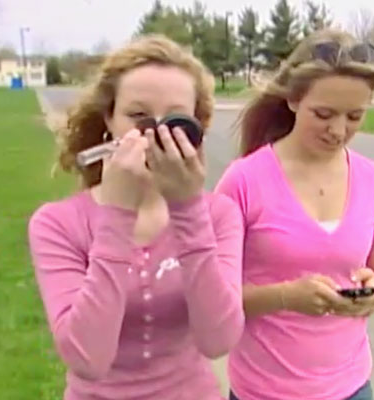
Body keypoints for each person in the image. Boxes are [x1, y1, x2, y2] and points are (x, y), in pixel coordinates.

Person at [27, 34, 245, 400]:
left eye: (175, 119)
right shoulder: (57, 224)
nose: (156, 133)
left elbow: (218, 340)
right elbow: (87, 359)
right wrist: (117, 215)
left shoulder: (218, 214)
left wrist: (188, 210)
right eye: (138, 116)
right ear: (108, 120)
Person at [214, 29, 374, 400]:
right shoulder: (244, 181)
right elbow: (211, 299)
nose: (338, 130)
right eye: (324, 114)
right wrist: (284, 296)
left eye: (354, 116)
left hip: (352, 388)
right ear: (295, 100)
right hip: (263, 392)